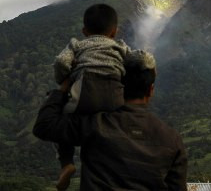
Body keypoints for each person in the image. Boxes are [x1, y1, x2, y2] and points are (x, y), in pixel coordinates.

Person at [33, 52, 188, 191]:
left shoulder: (95, 125)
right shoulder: (172, 140)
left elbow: (44, 126)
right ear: (151, 90)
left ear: (120, 86)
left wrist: (63, 89)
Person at [52, 3, 143, 189]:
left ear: (84, 30)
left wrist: (63, 78)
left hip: (85, 94)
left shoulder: (76, 44)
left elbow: (61, 61)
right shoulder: (119, 46)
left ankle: (67, 163)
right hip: (115, 97)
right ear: (114, 31)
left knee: (59, 118)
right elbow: (138, 59)